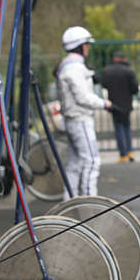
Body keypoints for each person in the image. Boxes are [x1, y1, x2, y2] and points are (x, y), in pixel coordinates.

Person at [55, 26, 111, 198]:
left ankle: (69, 202)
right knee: (92, 161)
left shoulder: (69, 65)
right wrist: (104, 104)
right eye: (87, 44)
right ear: (79, 46)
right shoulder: (74, 67)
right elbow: (82, 97)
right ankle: (89, 204)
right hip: (80, 119)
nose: (88, 48)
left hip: (73, 119)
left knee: (75, 163)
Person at [100, 51, 139, 163]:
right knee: (127, 127)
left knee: (119, 129)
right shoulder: (129, 70)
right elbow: (135, 88)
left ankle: (123, 155)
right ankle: (130, 152)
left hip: (114, 104)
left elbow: (103, 84)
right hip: (127, 103)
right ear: (123, 59)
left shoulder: (107, 70)